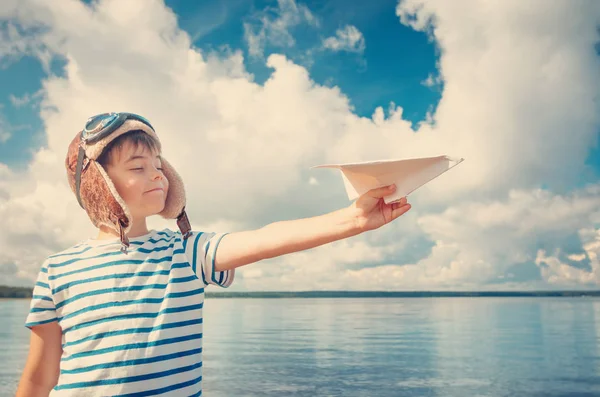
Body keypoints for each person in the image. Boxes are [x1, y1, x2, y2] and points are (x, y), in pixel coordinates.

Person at [15, 112, 412, 396]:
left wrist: (354, 219)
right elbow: (39, 377)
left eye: (158, 165)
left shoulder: (186, 252)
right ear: (97, 184)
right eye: (138, 167)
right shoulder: (58, 270)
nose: (157, 174)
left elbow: (265, 238)